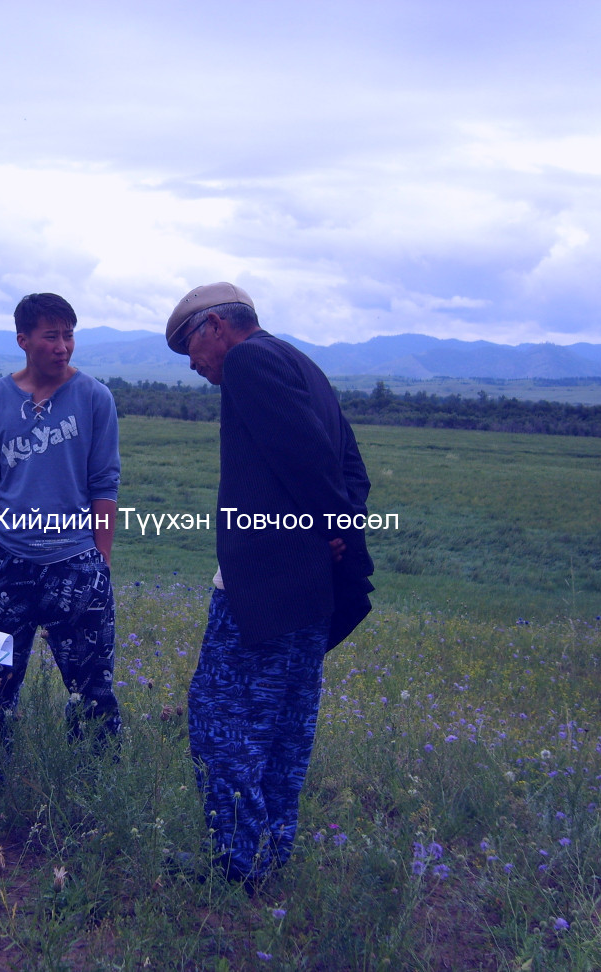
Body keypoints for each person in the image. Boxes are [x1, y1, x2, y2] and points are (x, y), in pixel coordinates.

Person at [165, 282, 375, 884]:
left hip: (265, 587)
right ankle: (266, 857)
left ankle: (233, 862)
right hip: (309, 589)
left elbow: (310, 459)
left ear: (216, 327)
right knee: (283, 728)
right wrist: (337, 532)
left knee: (220, 721)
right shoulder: (299, 360)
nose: (193, 364)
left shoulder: (250, 361)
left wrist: (328, 527)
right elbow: (349, 463)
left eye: (190, 347)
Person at [0, 293, 122, 789]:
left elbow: (105, 485)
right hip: (5, 560)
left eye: (69, 334)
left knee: (91, 683)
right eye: (51, 335)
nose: (62, 346)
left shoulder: (94, 398)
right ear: (23, 340)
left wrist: (99, 561)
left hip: (74, 560)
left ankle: (97, 780)